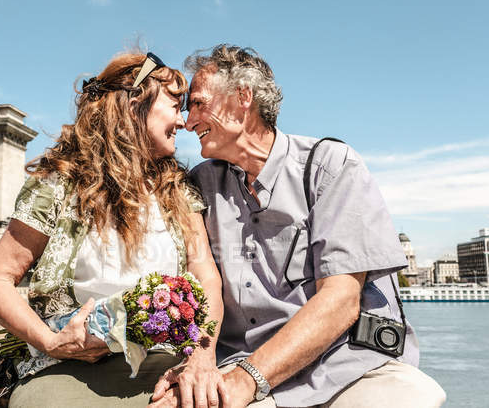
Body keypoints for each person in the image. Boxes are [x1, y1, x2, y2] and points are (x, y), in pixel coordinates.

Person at [150, 45, 446, 408]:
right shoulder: (199, 185)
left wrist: (248, 382)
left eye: (198, 104)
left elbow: (340, 300)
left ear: (243, 98)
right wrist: (200, 361)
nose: (189, 121)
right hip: (235, 368)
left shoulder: (331, 167)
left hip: (346, 370)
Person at [0, 51, 225, 407]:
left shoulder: (179, 190)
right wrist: (49, 342)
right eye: (174, 105)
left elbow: (207, 279)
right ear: (135, 103)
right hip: (64, 367)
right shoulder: (57, 183)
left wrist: (201, 357)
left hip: (163, 365)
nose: (183, 122)